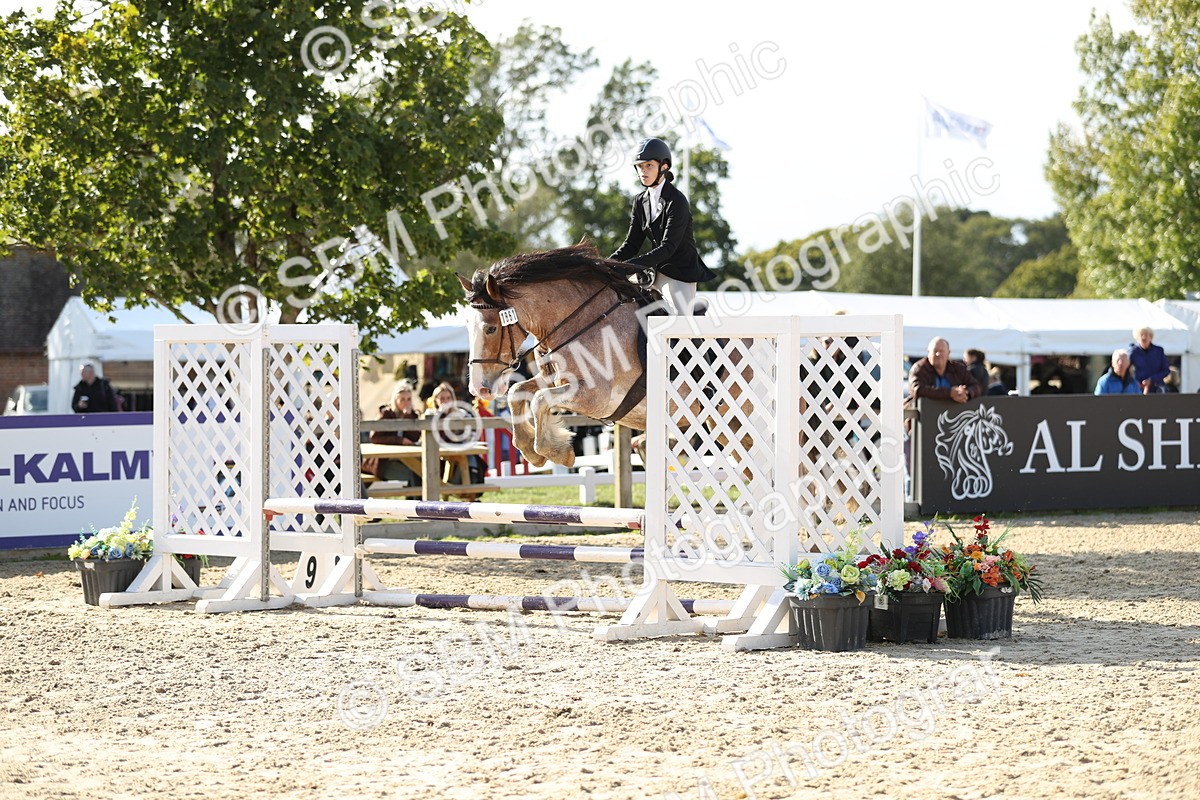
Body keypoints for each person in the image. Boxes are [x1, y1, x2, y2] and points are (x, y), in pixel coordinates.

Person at [610, 137, 716, 314]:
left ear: (664, 166)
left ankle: (698, 328)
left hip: (679, 273)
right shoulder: (639, 201)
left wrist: (631, 266)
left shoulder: (677, 201)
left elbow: (668, 247)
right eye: (640, 166)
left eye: (649, 165)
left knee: (681, 322)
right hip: (652, 272)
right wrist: (607, 264)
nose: (643, 171)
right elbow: (631, 245)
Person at [363, 381, 422, 485]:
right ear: (395, 399)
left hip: (405, 459)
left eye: (409, 399)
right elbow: (375, 437)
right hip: (383, 462)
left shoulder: (412, 414)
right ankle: (416, 500)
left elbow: (415, 437)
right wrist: (400, 440)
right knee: (414, 473)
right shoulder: (386, 413)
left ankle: (415, 499)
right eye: (402, 399)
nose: (406, 402)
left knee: (418, 470)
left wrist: (407, 417)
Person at [907, 337, 983, 409]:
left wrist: (965, 393)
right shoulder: (919, 368)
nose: (938, 354)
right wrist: (950, 393)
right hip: (924, 415)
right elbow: (918, 390)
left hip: (952, 415)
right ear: (928, 353)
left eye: (942, 351)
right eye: (935, 351)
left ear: (948, 353)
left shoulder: (958, 369)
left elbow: (976, 386)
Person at [1127, 326, 1169, 394]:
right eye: (1141, 335)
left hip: (1157, 388)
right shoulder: (1133, 352)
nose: (1144, 337)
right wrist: (1135, 382)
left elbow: (1166, 370)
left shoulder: (1159, 351)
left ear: (1151, 337)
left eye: (1146, 335)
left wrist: (1151, 379)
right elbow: (1125, 370)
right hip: (1139, 389)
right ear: (1137, 338)